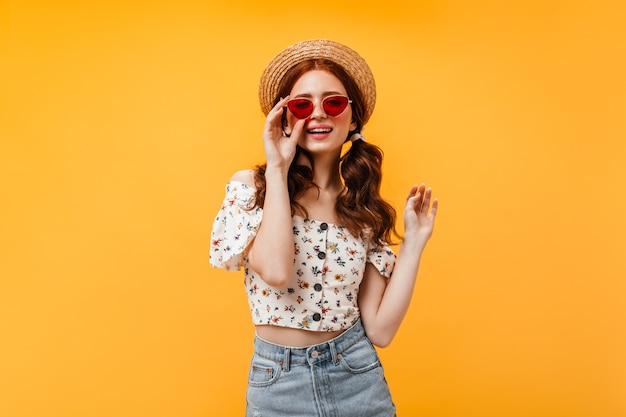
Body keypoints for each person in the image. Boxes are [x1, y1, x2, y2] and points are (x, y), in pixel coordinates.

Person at [210, 39, 438, 417]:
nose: (318, 114)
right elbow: (277, 271)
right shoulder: (254, 187)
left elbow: (380, 330)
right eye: (302, 105)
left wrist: (414, 241)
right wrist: (278, 168)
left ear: (353, 118)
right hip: (277, 383)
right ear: (284, 117)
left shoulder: (361, 210)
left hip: (356, 377)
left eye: (332, 103)